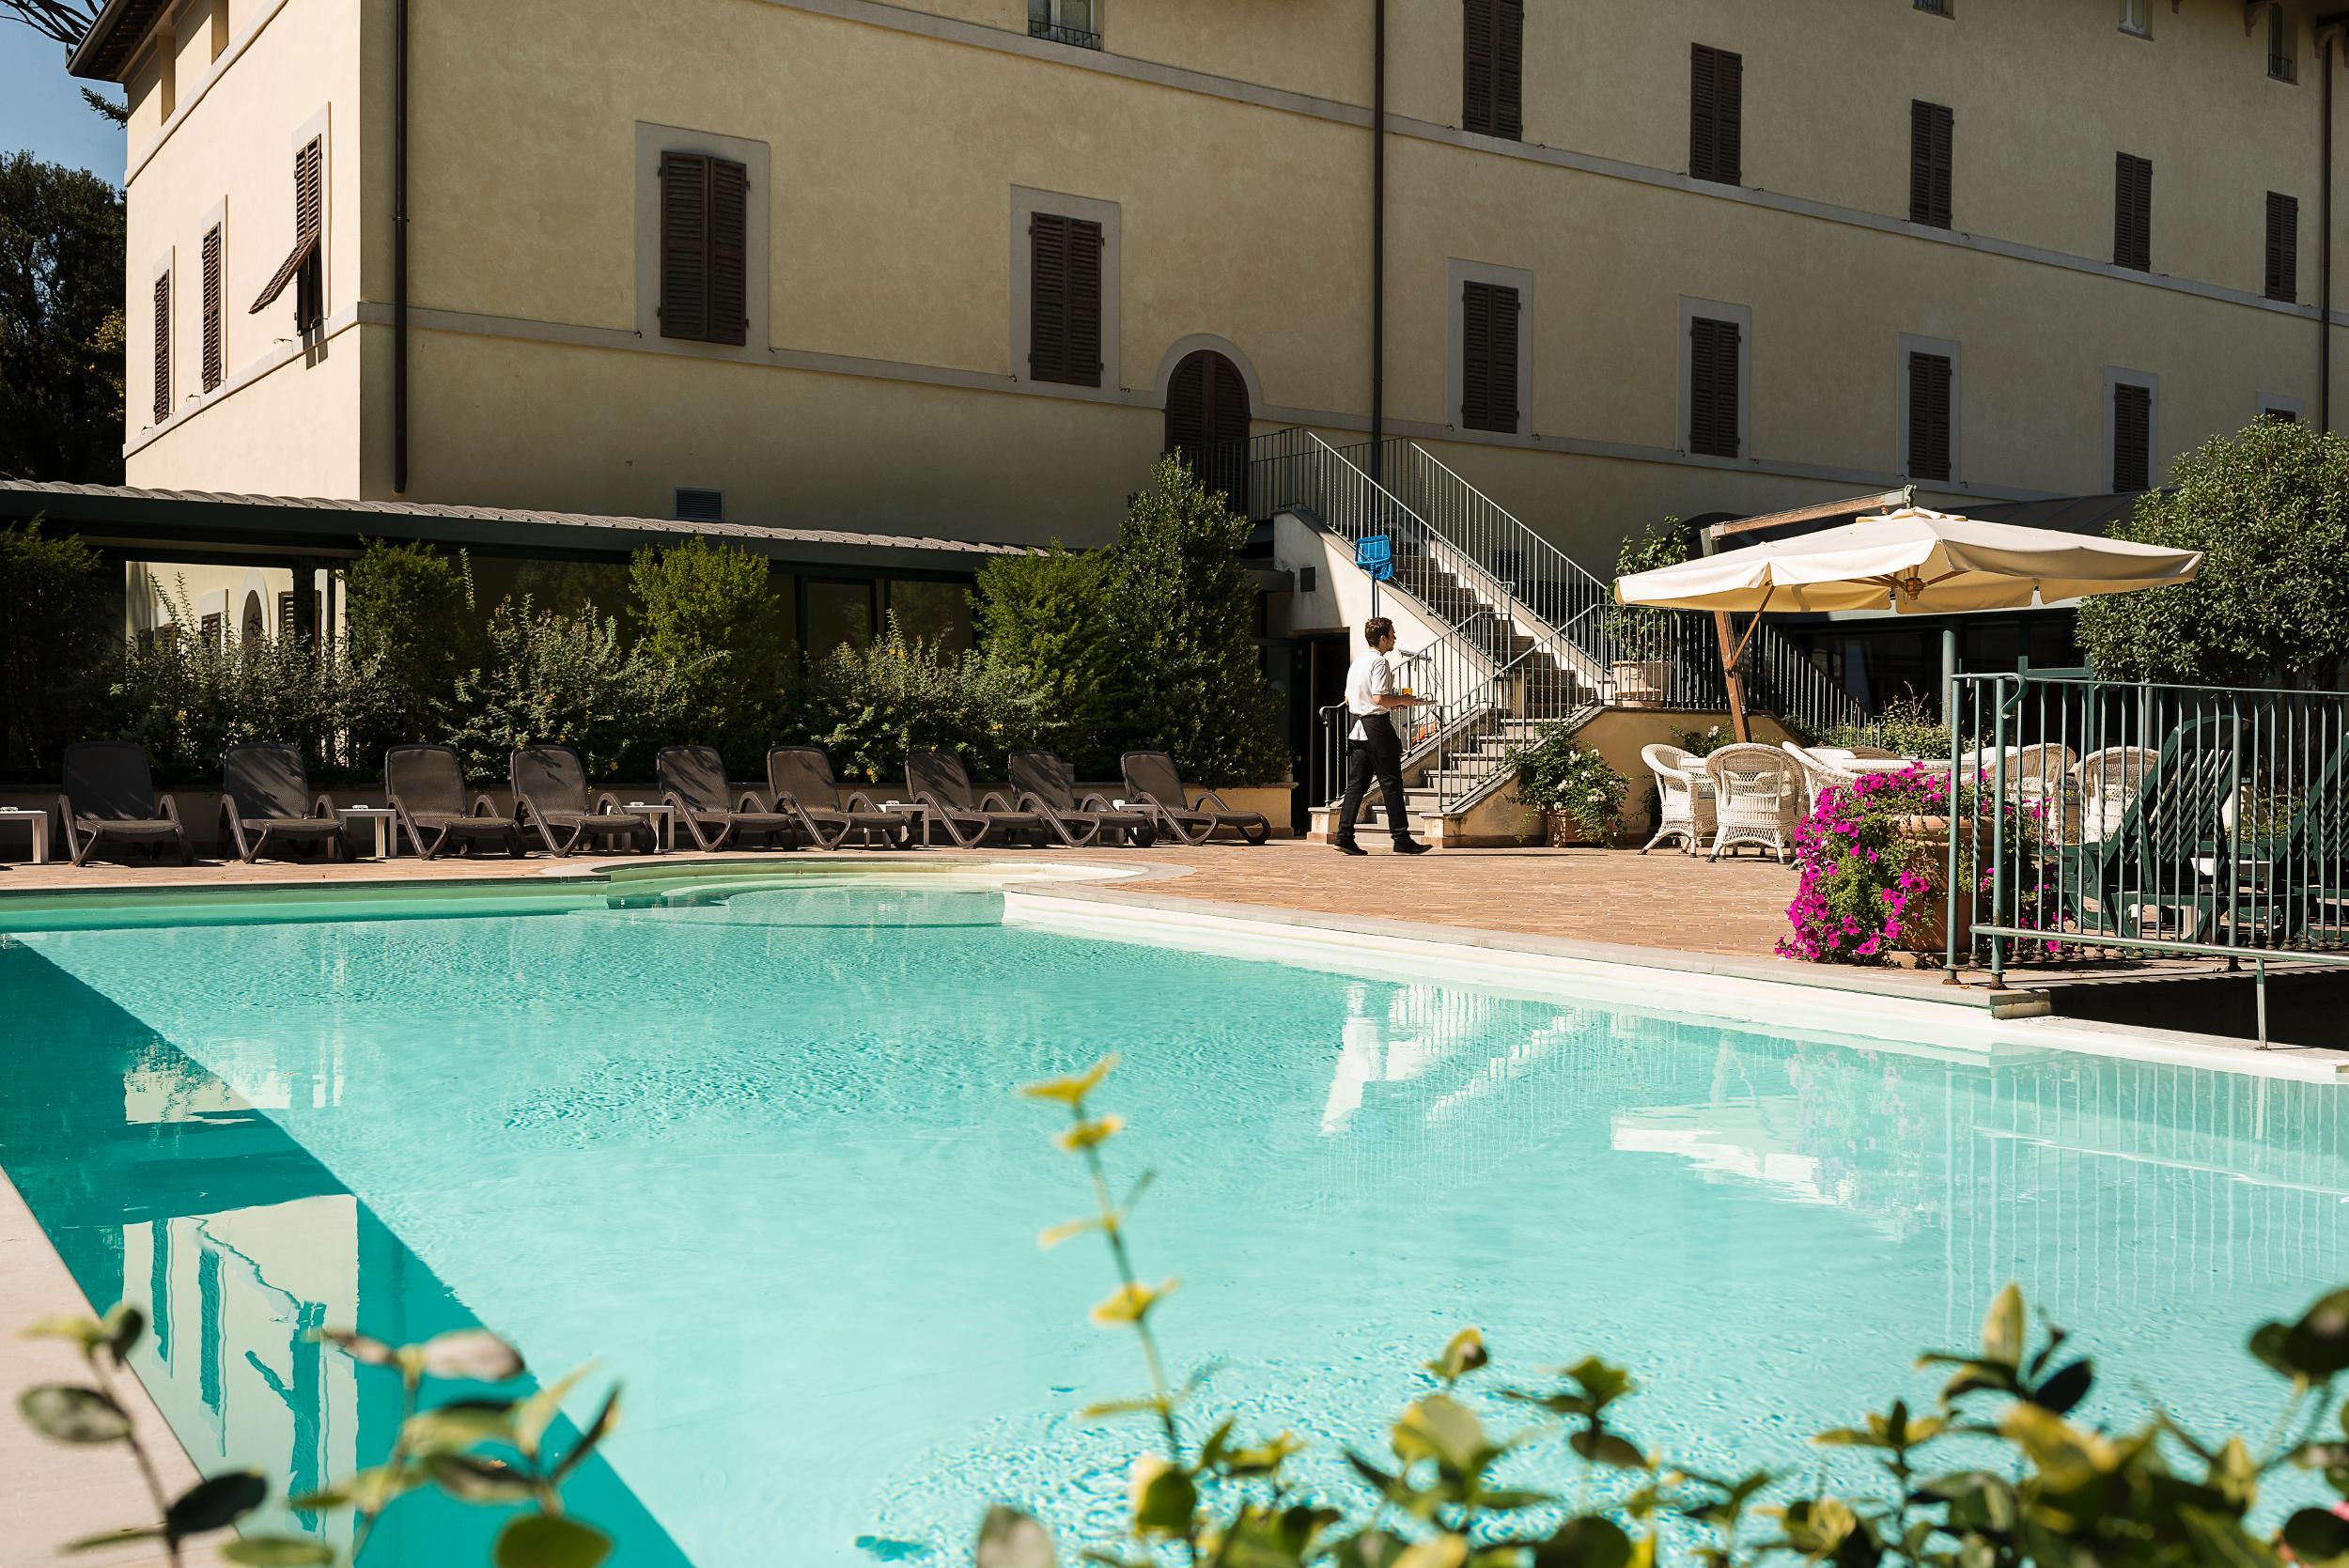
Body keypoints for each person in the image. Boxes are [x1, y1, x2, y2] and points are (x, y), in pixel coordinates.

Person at [1333, 616, 1432, 856]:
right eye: (1392, 634)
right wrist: (1405, 701)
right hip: (1376, 727)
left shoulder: (1357, 662)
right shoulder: (1379, 663)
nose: (1395, 638)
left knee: (1356, 785)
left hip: (1358, 726)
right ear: (1382, 638)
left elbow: (1349, 700)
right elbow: (1379, 698)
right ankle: (1401, 839)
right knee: (1391, 783)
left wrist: (1389, 703)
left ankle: (1344, 836)